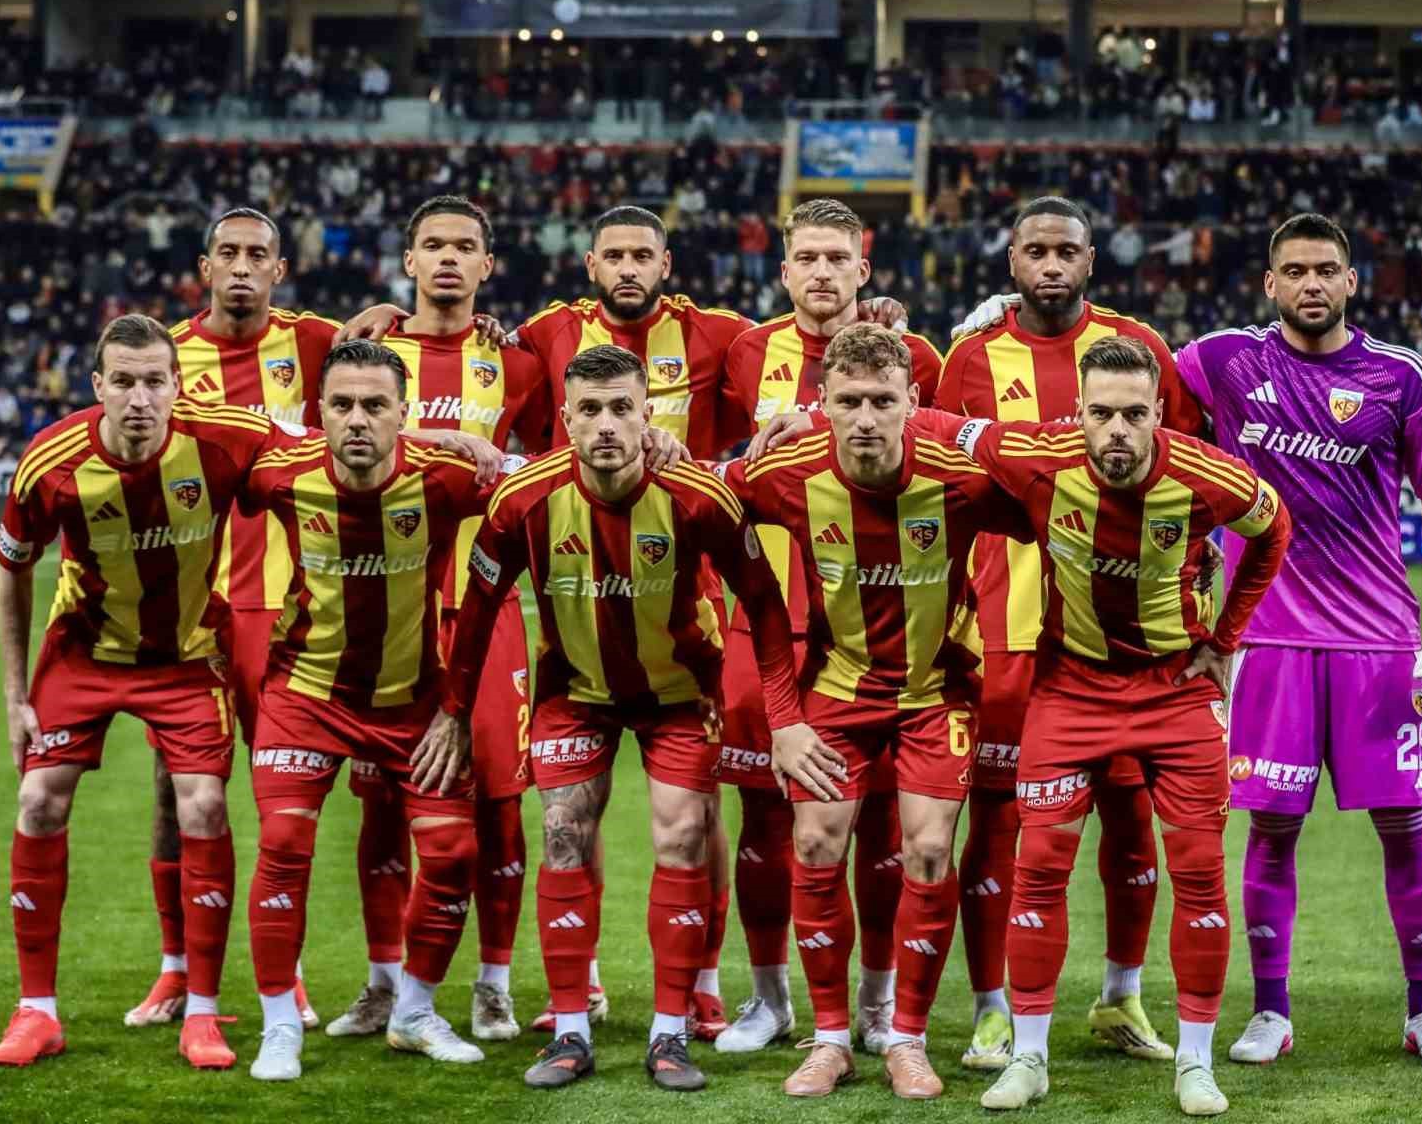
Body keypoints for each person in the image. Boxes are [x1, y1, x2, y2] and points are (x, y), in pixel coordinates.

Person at [441, 344, 802, 1092]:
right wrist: (452, 713)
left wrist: (783, 711)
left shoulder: (698, 497)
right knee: (563, 834)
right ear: (566, 419)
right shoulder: (524, 501)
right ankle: (570, 1031)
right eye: (590, 410)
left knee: (682, 835)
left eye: (621, 409)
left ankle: (670, 1033)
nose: (606, 425)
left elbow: (765, 604)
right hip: (574, 693)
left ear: (647, 415)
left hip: (680, 694)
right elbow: (476, 612)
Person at [946, 335, 1291, 1116]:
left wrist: (1226, 640)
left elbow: (1275, 530)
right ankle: (1029, 1059)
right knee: (1039, 867)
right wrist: (809, 424)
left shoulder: (1208, 477)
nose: (1117, 432)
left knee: (1199, 872)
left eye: (1135, 415)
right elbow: (937, 426)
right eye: (1101, 414)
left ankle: (1196, 1064)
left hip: (1175, 693)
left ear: (1160, 413)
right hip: (1068, 690)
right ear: (1077, 412)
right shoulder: (1035, 457)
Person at [1174, 213, 1422, 1068]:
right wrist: (1008, 312)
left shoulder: (1398, 375)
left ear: (1351, 281)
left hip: (1380, 642)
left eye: (1327, 269)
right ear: (1270, 283)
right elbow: (1129, 366)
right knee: (1271, 827)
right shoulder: (1227, 361)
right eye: (1296, 270)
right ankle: (1271, 1012)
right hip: (1268, 641)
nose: (1312, 283)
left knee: (1404, 823)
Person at [720, 323, 1031, 1101]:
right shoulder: (785, 472)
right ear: (821, 403)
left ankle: (905, 1038)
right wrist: (784, 717)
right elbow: (704, 504)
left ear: (911, 402)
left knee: (927, 851)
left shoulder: (962, 478)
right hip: (835, 690)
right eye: (849, 401)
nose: (865, 419)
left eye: (882, 402)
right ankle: (830, 1039)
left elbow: (1056, 511)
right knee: (815, 842)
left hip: (934, 694)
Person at [0, 314, 298, 1071]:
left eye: (154, 381)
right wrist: (14, 695)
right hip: (85, 653)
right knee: (38, 800)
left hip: (186, 655)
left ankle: (202, 1012)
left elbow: (326, 454)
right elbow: (13, 569)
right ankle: (37, 1012)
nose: (139, 398)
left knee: (204, 805)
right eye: (123, 381)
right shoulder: (51, 462)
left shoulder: (223, 439)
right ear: (97, 386)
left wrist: (452, 443)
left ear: (176, 385)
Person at [938, 197, 1205, 1068]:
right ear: (1012, 260)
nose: (1050, 265)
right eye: (1035, 251)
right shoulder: (971, 356)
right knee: (999, 822)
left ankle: (1121, 997)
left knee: (1131, 817)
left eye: (1066, 251)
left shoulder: (1137, 349)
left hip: (1118, 637)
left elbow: (1184, 477)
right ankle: (992, 1009)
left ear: (1091, 260)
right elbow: (942, 485)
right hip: (1005, 625)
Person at [714, 199, 942, 1056]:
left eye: (836, 258)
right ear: (783, 271)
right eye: (805, 258)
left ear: (863, 268)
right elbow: (720, 470)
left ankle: (876, 1004)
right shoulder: (745, 351)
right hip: (769, 625)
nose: (821, 272)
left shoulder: (916, 354)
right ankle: (769, 998)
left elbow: (944, 452)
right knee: (766, 821)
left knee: (881, 825)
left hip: (873, 626)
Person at [321, 195, 551, 1044]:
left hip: (489, 611)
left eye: (464, 246)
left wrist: (496, 459)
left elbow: (552, 463)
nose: (448, 258)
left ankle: (493, 984)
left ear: (488, 265)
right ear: (408, 261)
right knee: (382, 804)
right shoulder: (368, 356)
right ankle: (384, 984)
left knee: (500, 803)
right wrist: (446, 446)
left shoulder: (517, 364)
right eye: (432, 245)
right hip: (386, 611)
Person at [240, 340, 501, 1081]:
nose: (357, 419)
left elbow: (549, 477)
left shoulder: (447, 478)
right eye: (343, 405)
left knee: (453, 855)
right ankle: (279, 1027)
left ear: (403, 413)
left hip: (414, 701)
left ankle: (413, 1013)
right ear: (318, 412)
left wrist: (655, 440)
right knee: (283, 843)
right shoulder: (278, 473)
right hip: (306, 695)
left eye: (376, 405)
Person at [128, 207, 341, 1033]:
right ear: (205, 266)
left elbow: (393, 359)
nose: (243, 266)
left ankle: (288, 977)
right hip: (201, 615)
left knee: (289, 801)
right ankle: (176, 969)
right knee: (177, 791)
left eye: (258, 254)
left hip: (296, 613)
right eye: (229, 253)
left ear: (280, 270)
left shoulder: (315, 342)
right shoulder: (167, 359)